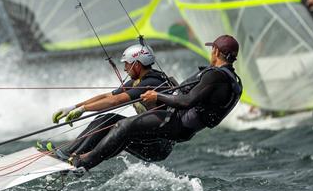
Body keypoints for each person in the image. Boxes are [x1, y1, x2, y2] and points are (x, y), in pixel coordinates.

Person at [69, 35, 242, 171]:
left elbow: (187, 101)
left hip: (177, 123)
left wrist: (157, 96)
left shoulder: (216, 76)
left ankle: (83, 162)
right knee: (114, 124)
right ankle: (73, 155)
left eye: (212, 49)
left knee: (122, 126)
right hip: (179, 125)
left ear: (216, 52)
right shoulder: (232, 80)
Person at [40, 43, 177, 162]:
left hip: (157, 146)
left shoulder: (151, 83)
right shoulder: (139, 81)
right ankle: (70, 153)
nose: (125, 69)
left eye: (127, 64)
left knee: (111, 121)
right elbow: (108, 96)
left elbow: (115, 101)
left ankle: (70, 155)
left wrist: (84, 110)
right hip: (149, 138)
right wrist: (74, 107)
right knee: (103, 119)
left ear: (137, 65)